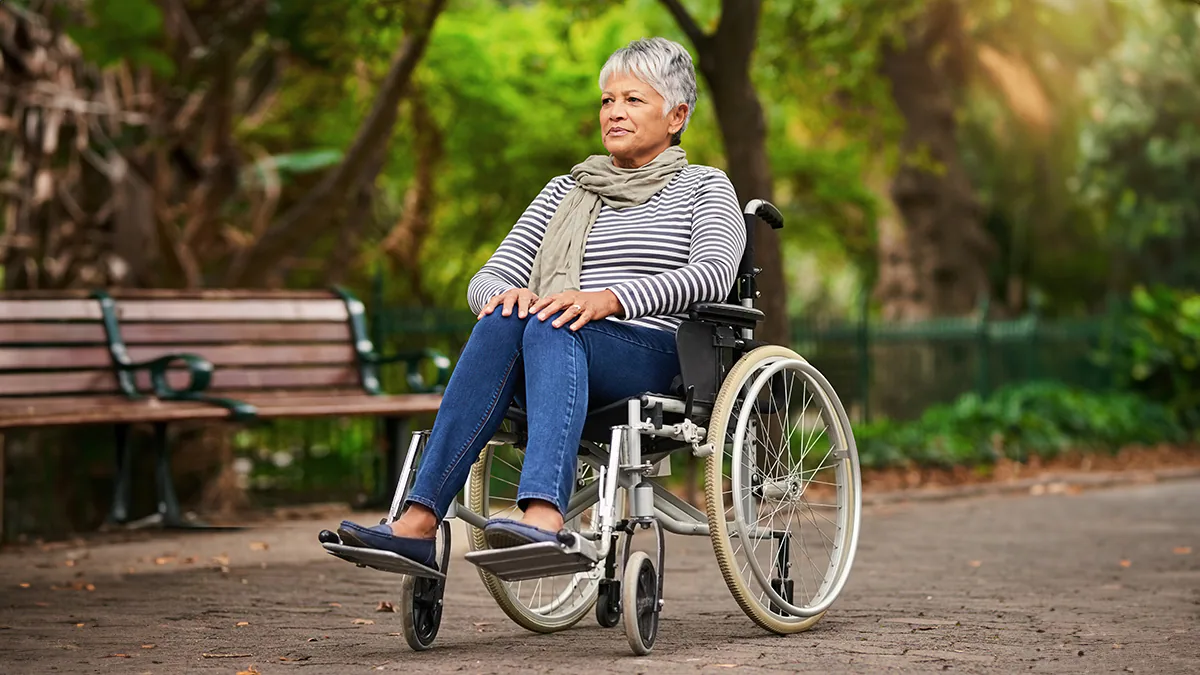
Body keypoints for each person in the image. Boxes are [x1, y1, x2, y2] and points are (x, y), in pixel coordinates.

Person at [336, 36, 746, 569]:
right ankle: (418, 521)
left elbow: (713, 274)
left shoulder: (704, 187)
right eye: (607, 100)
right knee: (508, 317)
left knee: (553, 321)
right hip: (556, 342)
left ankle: (542, 515)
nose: (614, 113)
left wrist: (610, 300)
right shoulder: (565, 192)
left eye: (633, 100)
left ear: (676, 116)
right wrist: (505, 295)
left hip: (658, 353)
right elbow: (485, 279)